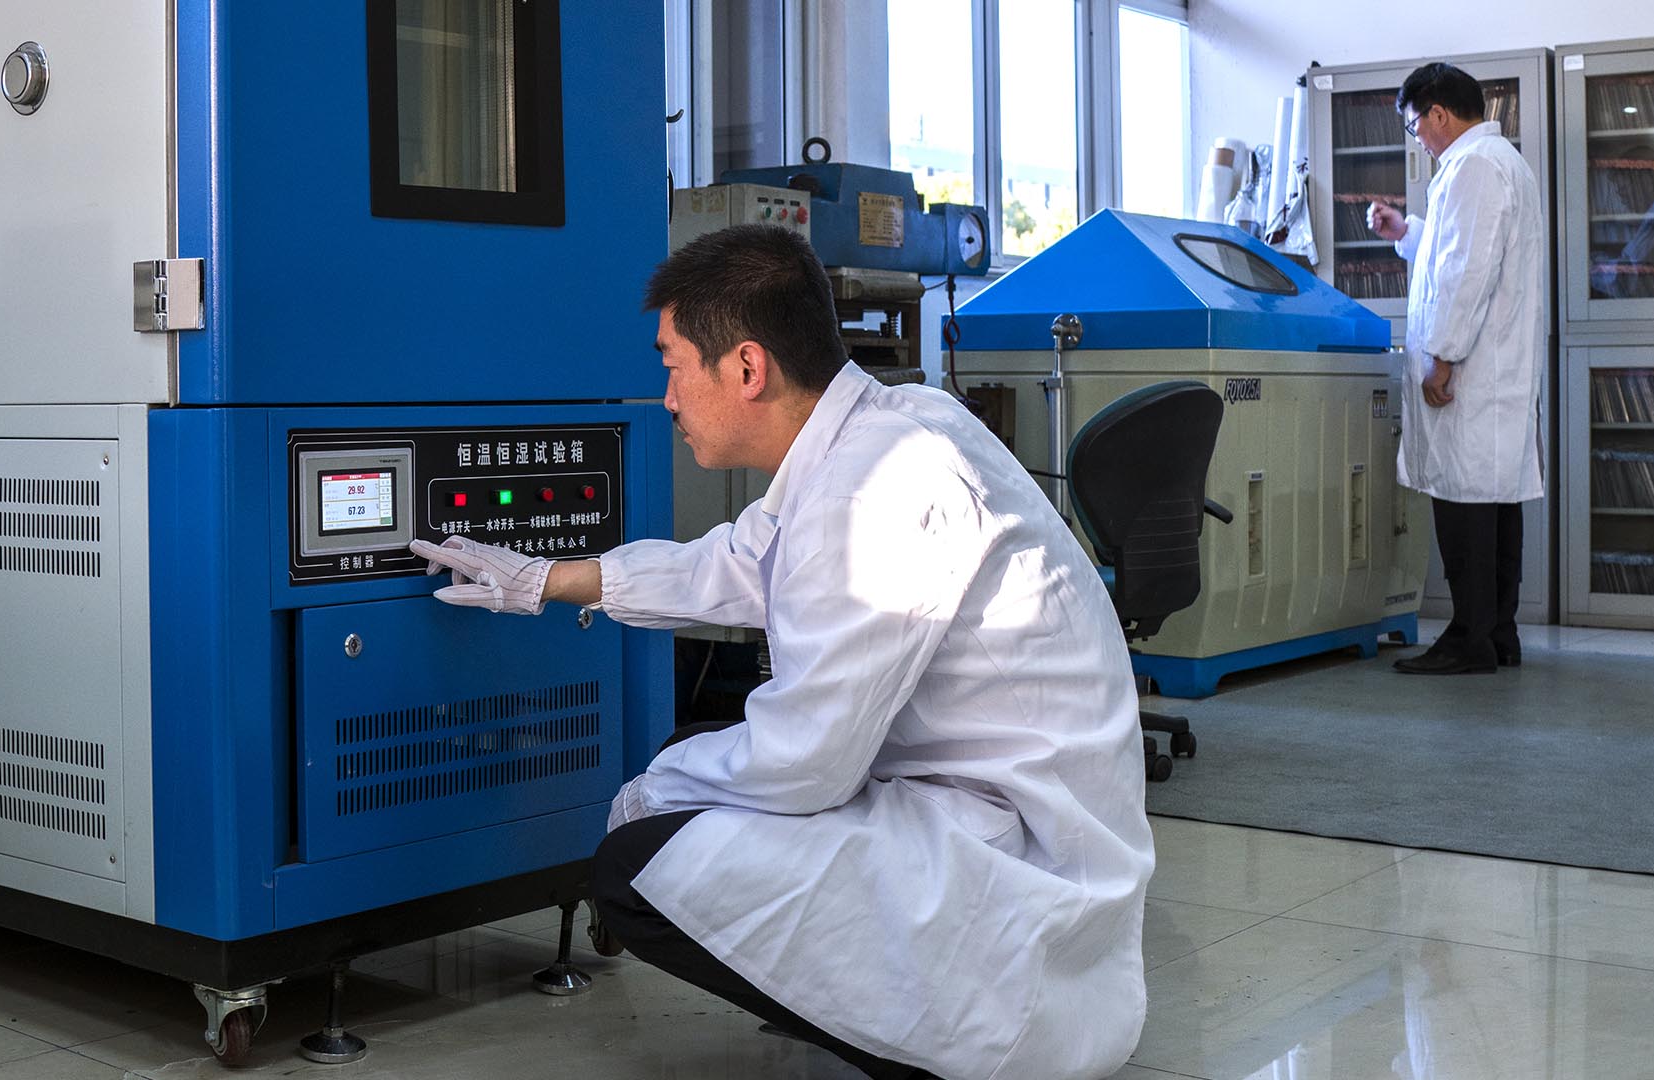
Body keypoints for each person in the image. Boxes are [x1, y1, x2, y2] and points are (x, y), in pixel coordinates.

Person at [407, 224, 1154, 1080]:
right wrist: (549, 579)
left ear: (747, 368)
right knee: (691, 788)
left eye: (673, 366)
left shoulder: (876, 488)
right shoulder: (892, 428)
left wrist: (655, 789)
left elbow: (807, 762)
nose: (667, 399)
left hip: (1021, 868)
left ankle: (918, 1053)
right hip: (991, 809)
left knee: (637, 862)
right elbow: (741, 562)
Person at [1366, 62, 1546, 675]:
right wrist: (1407, 231)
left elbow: (1466, 271)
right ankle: (1498, 634)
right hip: (1494, 369)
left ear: (1438, 113)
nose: (1418, 138)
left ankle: (1469, 637)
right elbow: (1456, 249)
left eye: (1415, 125)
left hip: (1471, 371)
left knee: (1466, 502)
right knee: (1494, 502)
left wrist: (1442, 357)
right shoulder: (1501, 163)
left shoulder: (1473, 167)